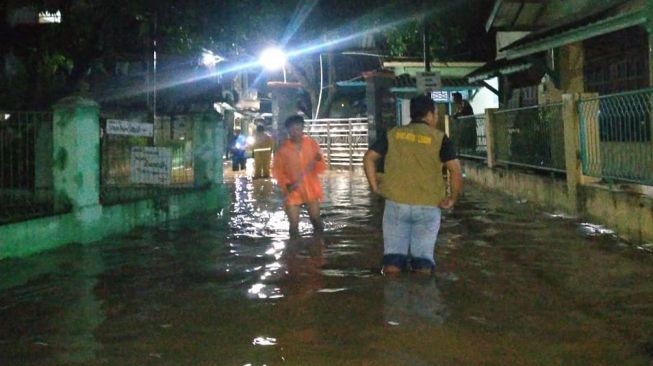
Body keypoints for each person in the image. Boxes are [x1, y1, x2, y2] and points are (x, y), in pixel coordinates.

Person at [363, 95, 463, 274]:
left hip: (395, 204)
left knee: (392, 262)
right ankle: (423, 299)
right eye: (436, 113)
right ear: (430, 114)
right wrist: (452, 199)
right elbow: (455, 171)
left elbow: (369, 158)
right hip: (428, 206)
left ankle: (393, 299)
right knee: (423, 262)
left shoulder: (394, 134)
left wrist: (375, 187)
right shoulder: (440, 138)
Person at [273, 115, 326, 237]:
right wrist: (286, 184)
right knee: (293, 225)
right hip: (292, 189)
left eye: (298, 129)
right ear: (288, 131)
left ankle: (318, 247)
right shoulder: (283, 149)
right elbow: (277, 171)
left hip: (311, 187)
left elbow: (321, 167)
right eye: (292, 129)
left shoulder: (311, 144)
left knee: (316, 220)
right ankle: (293, 252)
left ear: (302, 128)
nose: (295, 132)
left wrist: (318, 160)